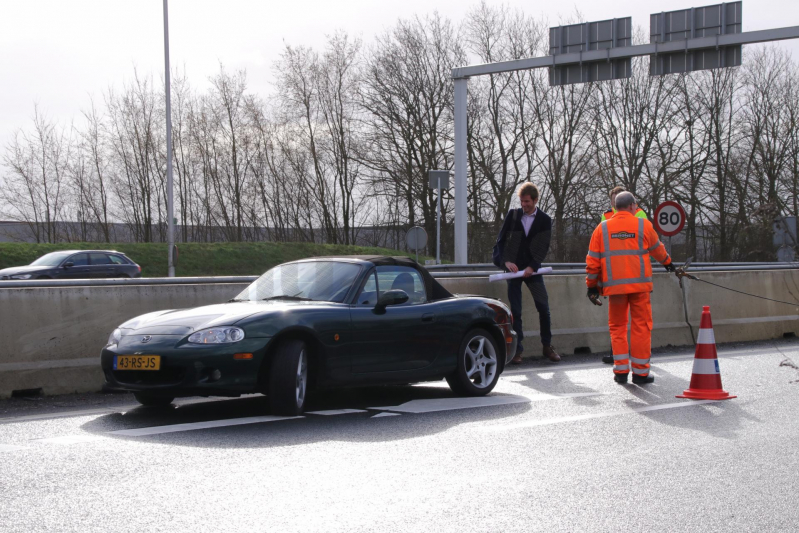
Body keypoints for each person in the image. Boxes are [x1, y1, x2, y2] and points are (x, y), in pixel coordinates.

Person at [585, 191, 676, 384]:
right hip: (639, 287)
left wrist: (592, 287)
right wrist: (668, 263)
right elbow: (657, 249)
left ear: (615, 207)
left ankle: (620, 371)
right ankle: (641, 373)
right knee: (641, 327)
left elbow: (592, 262)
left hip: (615, 289)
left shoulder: (602, 229)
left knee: (617, 328)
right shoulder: (642, 224)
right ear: (633, 206)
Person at [494, 182, 560, 364]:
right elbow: (500, 241)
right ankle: (517, 351)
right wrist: (505, 262)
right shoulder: (513, 216)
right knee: (515, 310)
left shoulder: (545, 220)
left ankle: (547, 346)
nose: (524, 205)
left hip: (533, 271)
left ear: (535, 200)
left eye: (527, 202)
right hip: (513, 270)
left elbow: (543, 247)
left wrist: (533, 266)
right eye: (522, 201)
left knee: (543, 308)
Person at [599, 186, 648, 364]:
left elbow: (647, 239)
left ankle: (629, 360)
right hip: (618, 275)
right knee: (619, 323)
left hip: (632, 273)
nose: (614, 201)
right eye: (612, 198)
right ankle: (622, 357)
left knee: (630, 323)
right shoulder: (605, 216)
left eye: (616, 198)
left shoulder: (640, 215)